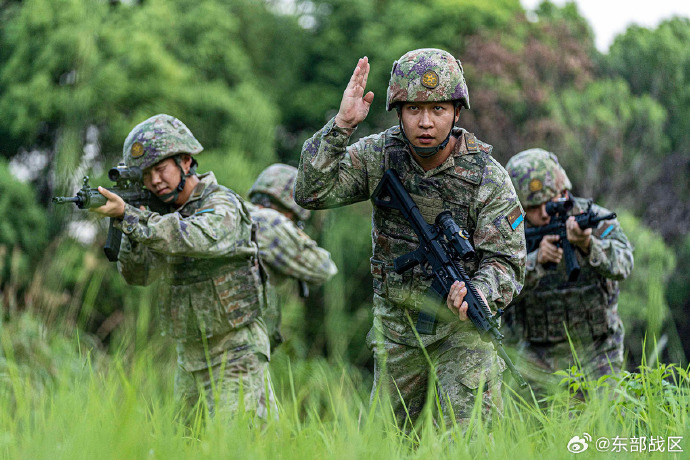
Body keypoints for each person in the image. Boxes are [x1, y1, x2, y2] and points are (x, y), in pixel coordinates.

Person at [294, 49, 525, 430]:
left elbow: (508, 259)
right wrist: (341, 127)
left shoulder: (488, 175)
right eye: (414, 109)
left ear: (456, 111)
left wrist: (481, 291)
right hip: (399, 331)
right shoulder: (379, 156)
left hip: (462, 332)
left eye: (437, 110)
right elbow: (310, 192)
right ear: (398, 112)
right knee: (387, 443)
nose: (426, 122)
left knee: (468, 440)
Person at [90, 114, 276, 419]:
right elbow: (139, 275)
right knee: (186, 445)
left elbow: (197, 238)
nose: (154, 182)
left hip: (236, 352)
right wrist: (132, 229)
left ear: (186, 162)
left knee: (238, 446)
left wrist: (132, 218)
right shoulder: (157, 216)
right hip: (189, 356)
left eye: (160, 170)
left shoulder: (221, 203)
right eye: (145, 175)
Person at [504, 148, 634, 398]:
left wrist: (588, 245)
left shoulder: (593, 218)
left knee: (605, 422)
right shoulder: (511, 228)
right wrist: (535, 262)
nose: (544, 212)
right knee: (533, 432)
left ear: (564, 192)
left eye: (550, 201)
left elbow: (625, 263)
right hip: (536, 353)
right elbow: (493, 280)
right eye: (533, 205)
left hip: (597, 350)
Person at [247, 163, 338, 350]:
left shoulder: (240, 213)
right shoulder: (272, 223)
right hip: (244, 346)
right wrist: (299, 235)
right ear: (291, 210)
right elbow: (323, 269)